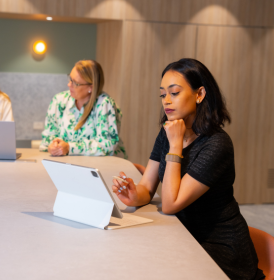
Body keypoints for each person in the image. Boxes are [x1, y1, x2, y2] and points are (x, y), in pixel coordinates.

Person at [112, 58, 265, 280]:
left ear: (199, 94)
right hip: (183, 233)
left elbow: (171, 204)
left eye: (174, 93)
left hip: (219, 248)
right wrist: (134, 196)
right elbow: (147, 185)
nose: (166, 101)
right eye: (163, 94)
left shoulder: (217, 144)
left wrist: (176, 145)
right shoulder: (168, 132)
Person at [39, 60, 127, 158]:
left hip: (104, 168)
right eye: (70, 79)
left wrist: (69, 147)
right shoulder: (59, 100)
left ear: (91, 87)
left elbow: (107, 146)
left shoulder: (104, 104)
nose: (69, 85)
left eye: (75, 83)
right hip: (66, 165)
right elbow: (47, 138)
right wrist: (53, 145)